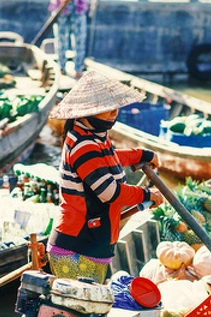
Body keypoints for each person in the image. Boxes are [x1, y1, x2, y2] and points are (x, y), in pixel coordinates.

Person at [46, 71, 164, 283]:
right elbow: (111, 192)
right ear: (87, 112)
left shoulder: (94, 138)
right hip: (77, 245)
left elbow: (107, 160)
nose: (114, 112)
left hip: (91, 242)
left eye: (114, 105)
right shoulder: (84, 145)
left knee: (87, 307)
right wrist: (147, 194)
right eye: (104, 108)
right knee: (82, 309)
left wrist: (141, 154)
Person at [48, 0, 88, 78]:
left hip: (78, 7)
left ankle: (78, 69)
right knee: (61, 40)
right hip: (60, 7)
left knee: (79, 40)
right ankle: (61, 67)